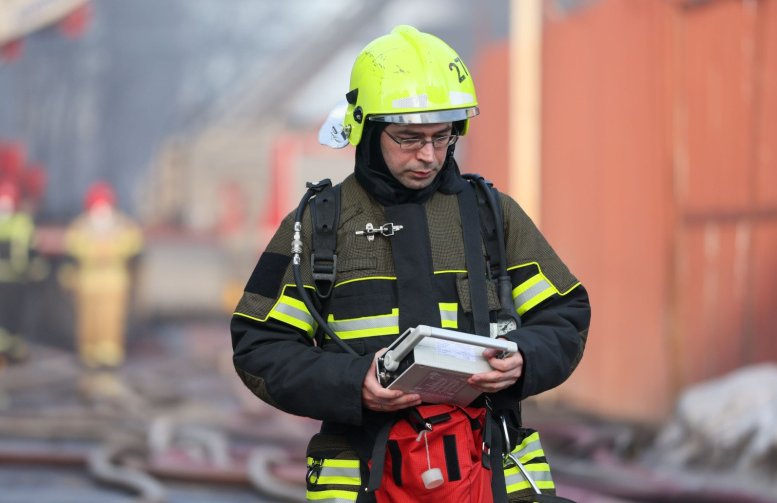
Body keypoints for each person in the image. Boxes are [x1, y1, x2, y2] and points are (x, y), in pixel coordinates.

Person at [231, 25, 590, 503]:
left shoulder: (492, 217)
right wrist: (352, 382)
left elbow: (565, 315)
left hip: (486, 476)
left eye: (442, 137)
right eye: (408, 138)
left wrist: (524, 357)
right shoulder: (320, 225)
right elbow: (259, 346)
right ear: (366, 130)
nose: (428, 155)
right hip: (365, 481)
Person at [63, 181, 143, 368]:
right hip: (88, 285)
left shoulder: (123, 226)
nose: (101, 211)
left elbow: (134, 249)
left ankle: (109, 355)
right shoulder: (81, 227)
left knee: (110, 321)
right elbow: (72, 252)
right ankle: (89, 354)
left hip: (113, 285)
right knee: (88, 321)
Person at [0, 180, 34, 365]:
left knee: (14, 316)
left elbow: (29, 249)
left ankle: (13, 349)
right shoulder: (19, 223)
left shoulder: (21, 223)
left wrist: (31, 267)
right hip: (8, 279)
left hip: (15, 280)